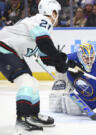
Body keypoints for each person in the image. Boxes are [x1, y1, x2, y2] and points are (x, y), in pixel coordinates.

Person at [0, 0, 72, 134]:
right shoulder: (42, 20)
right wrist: (58, 59)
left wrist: (62, 63)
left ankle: (33, 115)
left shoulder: (42, 27)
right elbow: (44, 43)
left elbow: (46, 56)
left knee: (33, 82)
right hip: (3, 48)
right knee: (26, 81)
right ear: (53, 12)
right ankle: (22, 118)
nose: (58, 17)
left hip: (12, 51)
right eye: (57, 13)